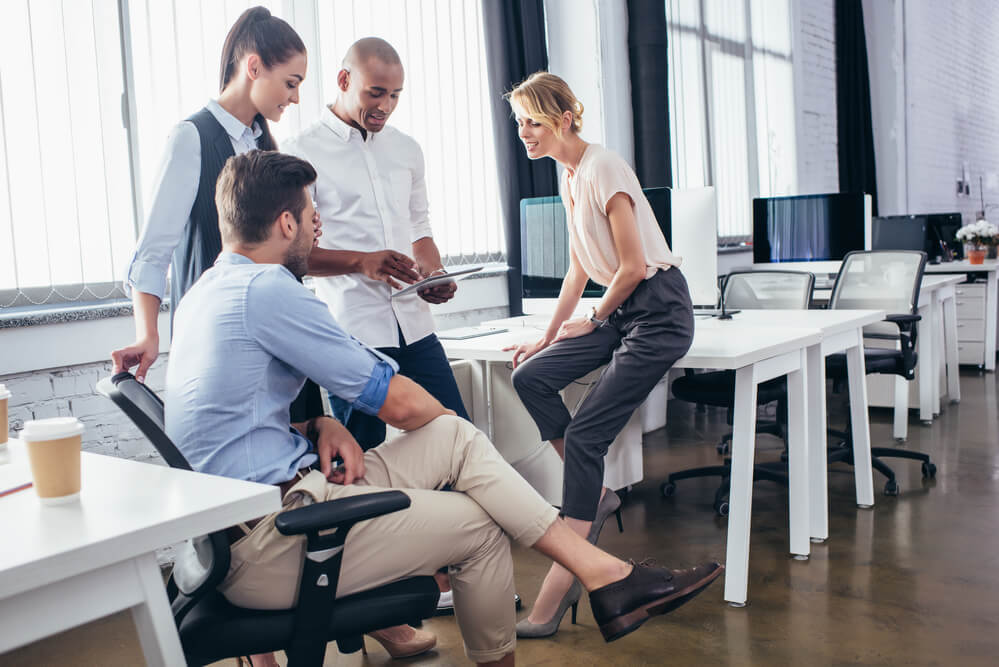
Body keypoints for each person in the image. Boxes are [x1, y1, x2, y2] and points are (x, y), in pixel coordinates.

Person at [164, 149, 722, 666]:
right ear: (285, 223)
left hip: (252, 517)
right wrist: (452, 435)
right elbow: (401, 406)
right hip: (273, 540)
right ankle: (604, 576)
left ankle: (603, 573)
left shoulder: (209, 291)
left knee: (457, 441)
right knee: (481, 525)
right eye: (312, 211)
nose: (318, 224)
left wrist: (319, 421)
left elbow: (231, 419)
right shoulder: (268, 290)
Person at [503, 72, 696, 639]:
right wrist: (547, 334)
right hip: (623, 310)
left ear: (564, 119)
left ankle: (550, 603)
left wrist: (595, 317)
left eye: (532, 122)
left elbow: (633, 267)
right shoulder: (570, 175)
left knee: (586, 437)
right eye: (518, 123)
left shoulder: (604, 166)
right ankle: (599, 494)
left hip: (657, 312)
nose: (523, 133)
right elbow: (580, 266)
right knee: (532, 376)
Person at [282, 37, 470, 452]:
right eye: (376, 93)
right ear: (344, 80)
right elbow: (292, 255)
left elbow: (420, 229)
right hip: (354, 332)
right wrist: (361, 262)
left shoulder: (406, 150)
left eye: (395, 95)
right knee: (361, 455)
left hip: (416, 325)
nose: (385, 105)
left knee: (459, 435)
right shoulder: (301, 153)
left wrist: (433, 273)